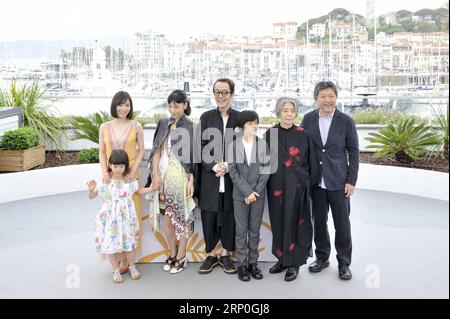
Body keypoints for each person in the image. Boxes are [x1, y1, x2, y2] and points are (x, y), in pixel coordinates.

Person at [301, 81, 359, 280]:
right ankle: (322, 257)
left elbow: (353, 152)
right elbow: (302, 148)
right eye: (323, 96)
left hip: (339, 181)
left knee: (342, 223)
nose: (327, 100)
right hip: (316, 182)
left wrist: (351, 180)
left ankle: (344, 261)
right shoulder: (307, 119)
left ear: (336, 97)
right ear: (316, 99)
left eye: (330, 96)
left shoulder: (346, 121)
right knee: (319, 222)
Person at [264, 97, 315, 282]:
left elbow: (310, 164)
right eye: (284, 110)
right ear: (279, 112)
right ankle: (282, 259)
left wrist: (308, 185)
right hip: (276, 185)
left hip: (297, 186)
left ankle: (294, 263)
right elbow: (264, 161)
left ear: (296, 113)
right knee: (278, 221)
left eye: (291, 110)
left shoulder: (303, 134)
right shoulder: (270, 134)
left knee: (295, 223)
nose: (288, 114)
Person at [146, 90, 197, 274]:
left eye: (176, 105)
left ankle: (182, 255)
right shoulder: (163, 123)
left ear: (185, 105)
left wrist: (191, 179)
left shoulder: (191, 126)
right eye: (170, 105)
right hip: (163, 174)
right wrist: (155, 175)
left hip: (180, 176)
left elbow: (193, 157)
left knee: (181, 218)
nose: (172, 109)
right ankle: (172, 251)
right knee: (167, 218)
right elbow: (156, 150)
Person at [87, 150, 152, 283]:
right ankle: (115, 270)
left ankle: (132, 267)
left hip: (127, 218)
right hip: (110, 219)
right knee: (111, 244)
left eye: (121, 166)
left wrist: (153, 188)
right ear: (110, 165)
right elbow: (92, 196)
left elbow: (139, 191)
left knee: (129, 243)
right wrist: (91, 189)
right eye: (115, 166)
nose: (118, 169)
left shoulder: (129, 181)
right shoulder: (106, 181)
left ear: (126, 166)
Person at [98, 91, 145, 274]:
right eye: (120, 104)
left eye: (127, 105)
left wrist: (132, 172)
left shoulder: (136, 126)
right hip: (111, 178)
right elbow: (102, 152)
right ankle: (115, 258)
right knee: (112, 218)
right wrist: (105, 172)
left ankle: (128, 259)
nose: (124, 108)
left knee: (130, 218)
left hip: (130, 178)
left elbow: (141, 150)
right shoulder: (104, 126)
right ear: (114, 105)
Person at [198, 78, 240, 274]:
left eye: (225, 92)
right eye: (217, 92)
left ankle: (225, 254)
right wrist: (214, 166)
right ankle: (211, 254)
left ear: (232, 94)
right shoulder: (206, 117)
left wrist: (230, 165)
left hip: (233, 177)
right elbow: (200, 148)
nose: (221, 96)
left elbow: (246, 147)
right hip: (210, 176)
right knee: (209, 215)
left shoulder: (240, 119)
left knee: (229, 214)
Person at [228, 110, 270, 282]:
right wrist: (247, 192)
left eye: (256, 122)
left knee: (254, 231)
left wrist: (255, 193)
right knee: (240, 231)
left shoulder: (263, 144)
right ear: (242, 126)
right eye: (251, 123)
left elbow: (266, 171)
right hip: (240, 195)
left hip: (258, 195)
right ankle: (242, 265)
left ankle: (253, 263)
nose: (255, 126)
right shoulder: (233, 145)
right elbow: (233, 171)